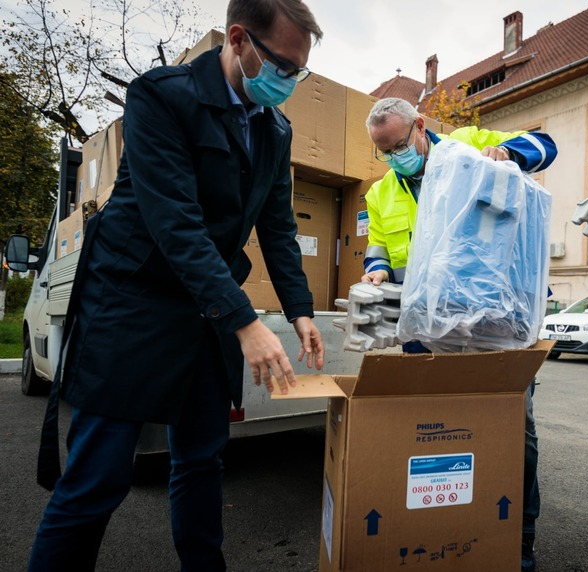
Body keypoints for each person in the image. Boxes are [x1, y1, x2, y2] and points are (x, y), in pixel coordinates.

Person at [28, 1, 325, 570]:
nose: (288, 81)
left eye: (298, 71)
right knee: (99, 477)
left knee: (200, 462)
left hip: (205, 313)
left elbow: (279, 226)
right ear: (238, 39)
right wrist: (244, 321)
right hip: (134, 303)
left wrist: (300, 311)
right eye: (282, 66)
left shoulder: (275, 129)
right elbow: (176, 225)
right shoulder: (162, 97)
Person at [362, 97, 557, 572]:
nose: (393, 158)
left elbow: (545, 145)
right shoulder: (379, 193)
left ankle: (519, 536)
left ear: (420, 126)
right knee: (433, 428)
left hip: (497, 323)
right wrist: (377, 271)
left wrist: (509, 154)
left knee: (514, 426)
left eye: (398, 146)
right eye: (383, 152)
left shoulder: (467, 146)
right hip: (425, 328)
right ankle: (447, 528)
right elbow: (377, 244)